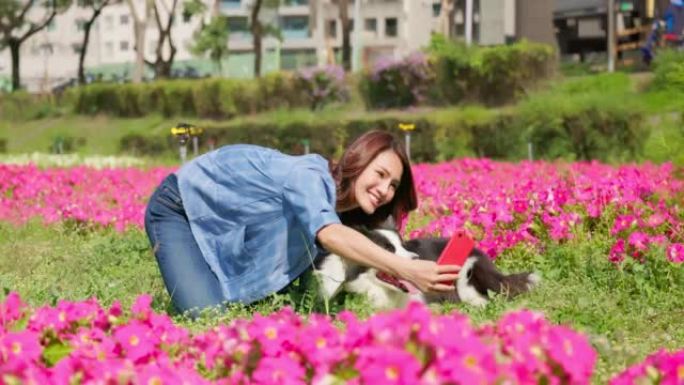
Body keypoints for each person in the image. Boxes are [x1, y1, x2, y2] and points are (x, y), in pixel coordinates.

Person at [144, 130, 460, 316]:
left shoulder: (343, 210)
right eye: (380, 174)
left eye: (393, 185)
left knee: (252, 310)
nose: (385, 190)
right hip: (180, 207)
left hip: (225, 224)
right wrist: (406, 268)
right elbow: (330, 235)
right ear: (357, 161)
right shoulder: (309, 177)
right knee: (207, 316)